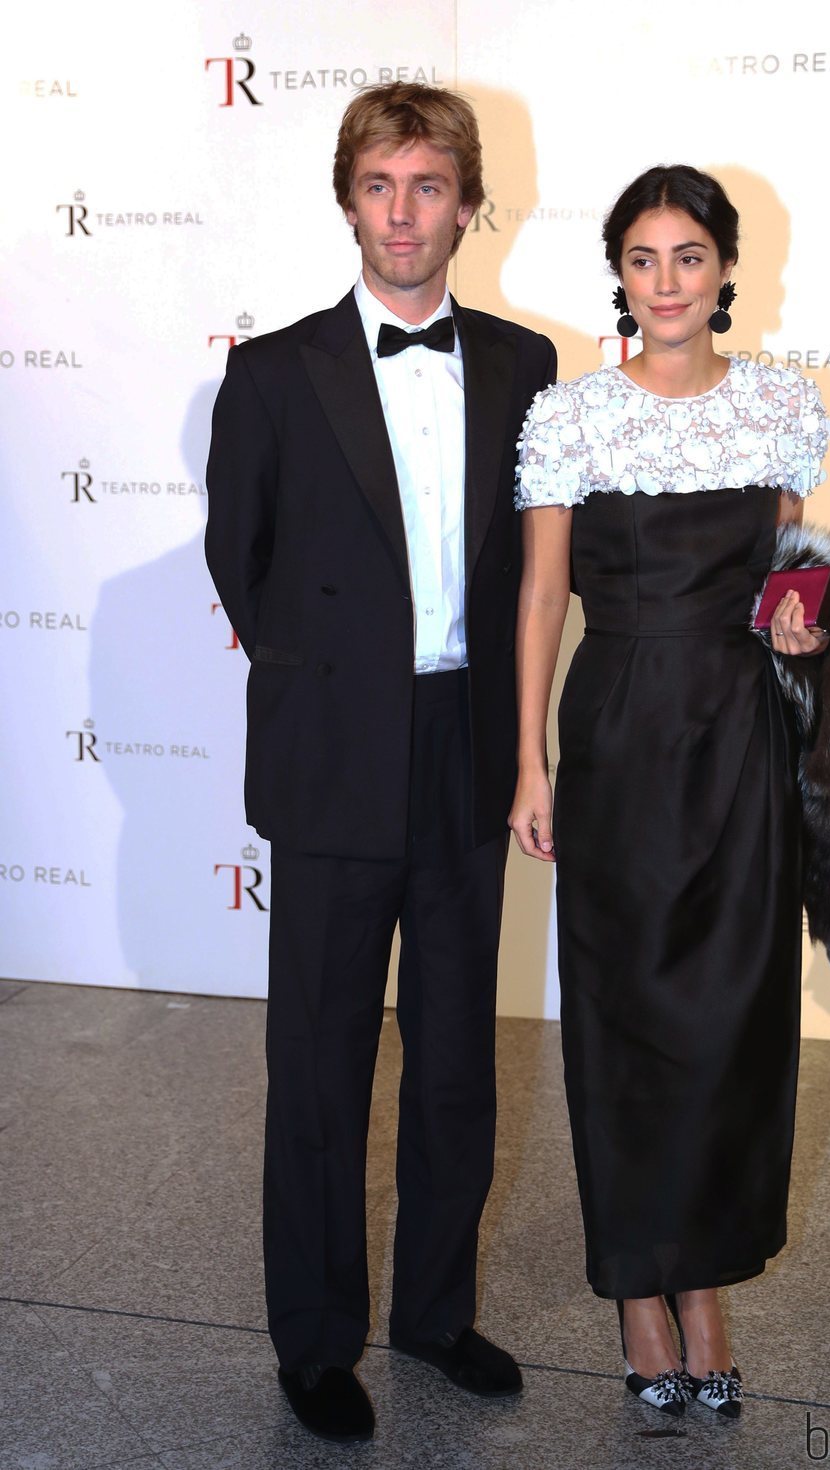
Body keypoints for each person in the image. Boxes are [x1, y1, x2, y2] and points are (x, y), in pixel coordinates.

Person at [205, 82, 556, 1445]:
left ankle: (433, 1312)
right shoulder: (275, 370)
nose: (403, 212)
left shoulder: (527, 367)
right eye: (379, 185)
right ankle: (313, 1336)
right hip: (337, 751)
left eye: (428, 185)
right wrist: (331, 678)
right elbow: (244, 557)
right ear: (349, 200)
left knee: (459, 1059)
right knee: (323, 1060)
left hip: (469, 748)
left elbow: (543, 566)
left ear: (468, 203)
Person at [509, 164, 830, 1420]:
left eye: (687, 258)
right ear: (620, 276)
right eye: (642, 260)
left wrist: (802, 626)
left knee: (732, 1022)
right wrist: (530, 760)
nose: (665, 283)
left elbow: (785, 581)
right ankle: (640, 1297)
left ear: (723, 271)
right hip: (619, 736)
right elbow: (543, 599)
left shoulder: (777, 408)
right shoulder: (572, 419)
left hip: (740, 735)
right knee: (624, 1017)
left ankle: (705, 1285)